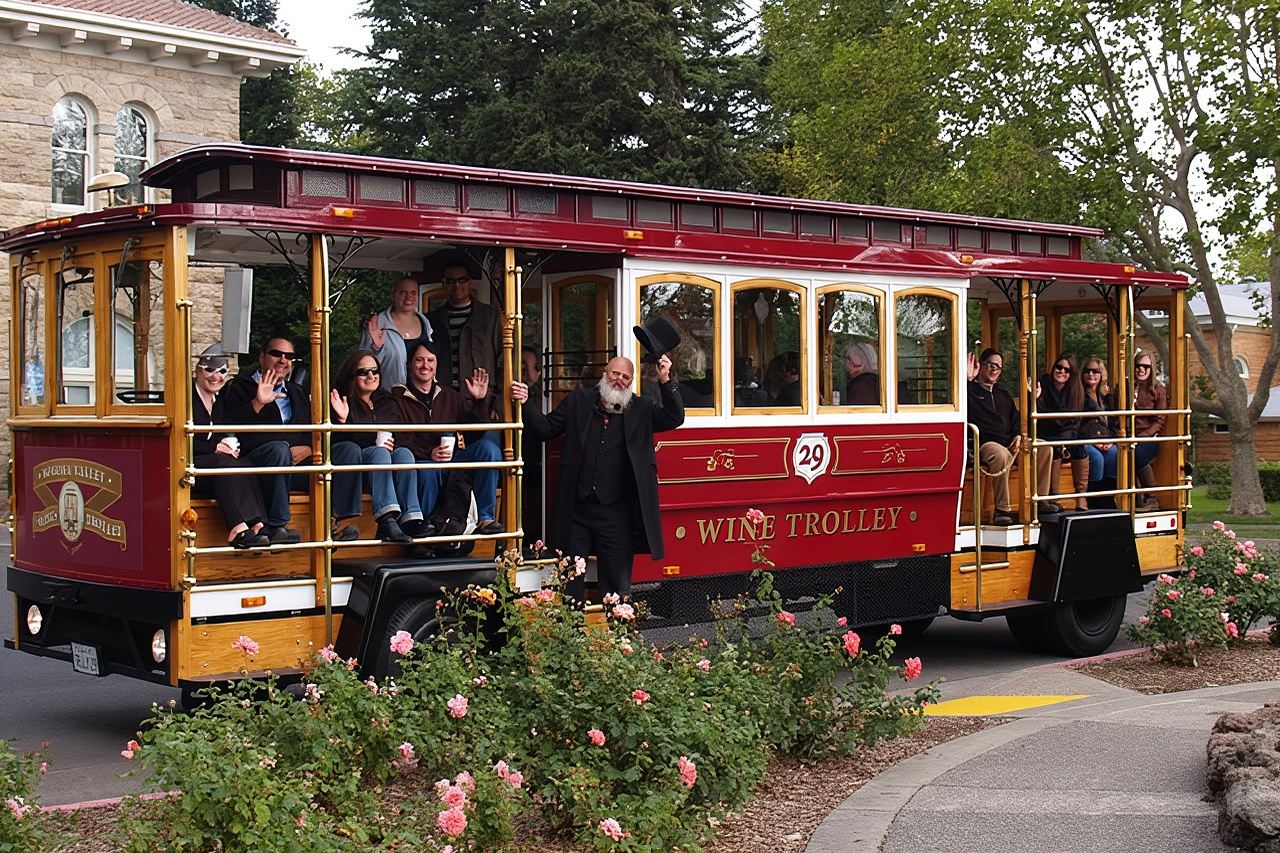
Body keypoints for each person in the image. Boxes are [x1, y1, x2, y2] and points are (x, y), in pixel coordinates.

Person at [511, 354, 684, 600]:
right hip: (577, 511)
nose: (619, 380)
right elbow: (545, 429)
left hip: (617, 514)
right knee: (569, 582)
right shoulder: (578, 401)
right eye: (615, 373)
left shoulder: (641, 408)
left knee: (616, 588)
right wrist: (526, 403)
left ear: (631, 382)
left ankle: (616, 624)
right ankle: (570, 623)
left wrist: (665, 379)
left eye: (625, 377)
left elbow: (674, 417)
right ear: (605, 374)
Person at [394, 341, 504, 536]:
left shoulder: (450, 395)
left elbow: (473, 433)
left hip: (454, 458)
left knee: (489, 449)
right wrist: (429, 452)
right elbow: (399, 439)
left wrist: (479, 401)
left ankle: (486, 517)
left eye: (430, 360)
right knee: (428, 472)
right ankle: (424, 530)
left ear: (437, 365)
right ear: (409, 364)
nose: (425, 365)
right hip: (421, 460)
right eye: (419, 360)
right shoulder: (397, 397)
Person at [219, 336, 311, 544]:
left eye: (289, 356)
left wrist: (309, 448)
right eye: (276, 354)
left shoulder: (296, 392)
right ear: (262, 357)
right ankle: (277, 526)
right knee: (278, 450)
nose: (283, 360)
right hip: (254, 461)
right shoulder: (239, 387)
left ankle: (335, 524)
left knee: (340, 456)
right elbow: (229, 424)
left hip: (294, 464)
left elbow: (311, 428)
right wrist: (258, 403)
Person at [329, 350, 422, 543]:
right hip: (355, 468)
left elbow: (404, 435)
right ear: (352, 376)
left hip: (383, 466)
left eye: (375, 371)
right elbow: (342, 445)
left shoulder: (387, 401)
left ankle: (411, 518)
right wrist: (345, 421)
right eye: (363, 372)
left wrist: (393, 443)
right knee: (380, 453)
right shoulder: (341, 400)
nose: (371, 376)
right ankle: (386, 520)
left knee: (404, 454)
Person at [190, 345, 269, 548]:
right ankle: (237, 529)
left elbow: (233, 420)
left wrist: (258, 403)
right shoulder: (185, 398)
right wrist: (216, 448)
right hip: (185, 464)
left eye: (223, 371)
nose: (216, 377)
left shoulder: (219, 399)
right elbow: (181, 438)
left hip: (210, 463)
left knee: (246, 464)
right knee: (223, 463)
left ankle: (257, 524)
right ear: (198, 370)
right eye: (210, 370)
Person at [967, 348, 1054, 524]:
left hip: (1010, 442)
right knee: (1001, 454)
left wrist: (1018, 435)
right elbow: (961, 406)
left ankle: (1040, 501)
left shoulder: (1003, 395)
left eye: (998, 367)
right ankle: (1002, 509)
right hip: (985, 444)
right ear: (980, 366)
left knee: (1043, 448)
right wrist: (968, 381)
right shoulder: (970, 392)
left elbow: (1016, 418)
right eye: (990, 365)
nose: (994, 369)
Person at [427, 259, 501, 414]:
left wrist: (498, 401)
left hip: (482, 399)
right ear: (444, 283)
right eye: (451, 281)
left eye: (462, 280)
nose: (457, 285)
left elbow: (503, 359)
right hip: (443, 399)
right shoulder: (433, 319)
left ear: (470, 282)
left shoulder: (490, 317)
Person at [360, 276, 433, 390]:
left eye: (413, 293)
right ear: (393, 296)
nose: (409, 297)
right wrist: (376, 348)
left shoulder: (426, 323)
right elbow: (363, 366)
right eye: (403, 292)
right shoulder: (377, 324)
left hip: (422, 395)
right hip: (389, 395)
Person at [1036, 353, 1088, 511]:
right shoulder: (1043, 384)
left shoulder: (1075, 391)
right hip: (1045, 433)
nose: (1062, 372)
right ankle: (1052, 497)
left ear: (1072, 374)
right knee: (1055, 448)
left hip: (1066, 435)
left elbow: (1075, 422)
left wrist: (1067, 440)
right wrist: (1035, 397)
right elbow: (1041, 416)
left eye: (1067, 370)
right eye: (1059, 367)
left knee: (1079, 447)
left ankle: (1081, 497)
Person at [1080, 356, 1120, 503]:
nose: (1091, 374)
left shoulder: (1105, 397)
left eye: (1095, 371)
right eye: (1088, 371)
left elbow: (1113, 422)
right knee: (1097, 458)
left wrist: (1110, 440)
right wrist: (1095, 441)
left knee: (1113, 453)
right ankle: (1094, 501)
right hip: (1084, 440)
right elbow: (1078, 423)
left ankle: (1109, 500)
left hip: (1106, 440)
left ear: (1101, 374)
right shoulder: (1079, 394)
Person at [1132, 351, 1166, 510]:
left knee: (1137, 452)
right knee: (1119, 453)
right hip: (1127, 436)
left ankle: (1151, 498)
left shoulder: (1158, 389)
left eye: (1145, 366)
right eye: (1138, 366)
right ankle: (1135, 498)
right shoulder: (1125, 387)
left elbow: (1160, 420)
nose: (1141, 369)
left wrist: (1142, 436)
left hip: (1149, 437)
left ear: (1151, 368)